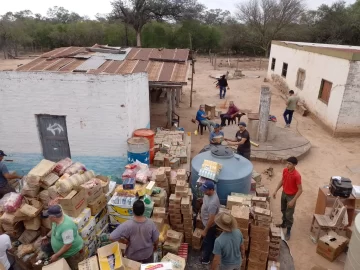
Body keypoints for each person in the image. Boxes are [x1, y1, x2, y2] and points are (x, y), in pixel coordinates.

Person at [42, 205, 84, 269]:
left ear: (53, 217)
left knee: (76, 268)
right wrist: (47, 236)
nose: (48, 218)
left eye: (48, 216)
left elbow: (68, 245)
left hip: (72, 255)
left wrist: (56, 255)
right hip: (65, 254)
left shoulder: (66, 227)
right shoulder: (57, 219)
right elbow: (54, 229)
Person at [272, 157, 303, 240]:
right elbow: (282, 181)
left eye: (289, 164)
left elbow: (300, 190)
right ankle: (283, 223)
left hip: (291, 196)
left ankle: (288, 230)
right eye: (287, 163)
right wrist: (276, 190)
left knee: (289, 214)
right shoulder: (285, 170)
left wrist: (293, 200)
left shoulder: (297, 176)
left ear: (294, 165)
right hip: (284, 193)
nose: (287, 165)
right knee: (283, 209)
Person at [200, 180, 220, 265]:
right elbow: (206, 199)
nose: (203, 191)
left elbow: (211, 219)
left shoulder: (213, 203)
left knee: (209, 242)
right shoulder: (208, 194)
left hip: (210, 226)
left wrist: (205, 230)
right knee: (208, 240)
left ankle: (206, 259)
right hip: (205, 221)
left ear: (211, 190)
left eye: (205, 190)